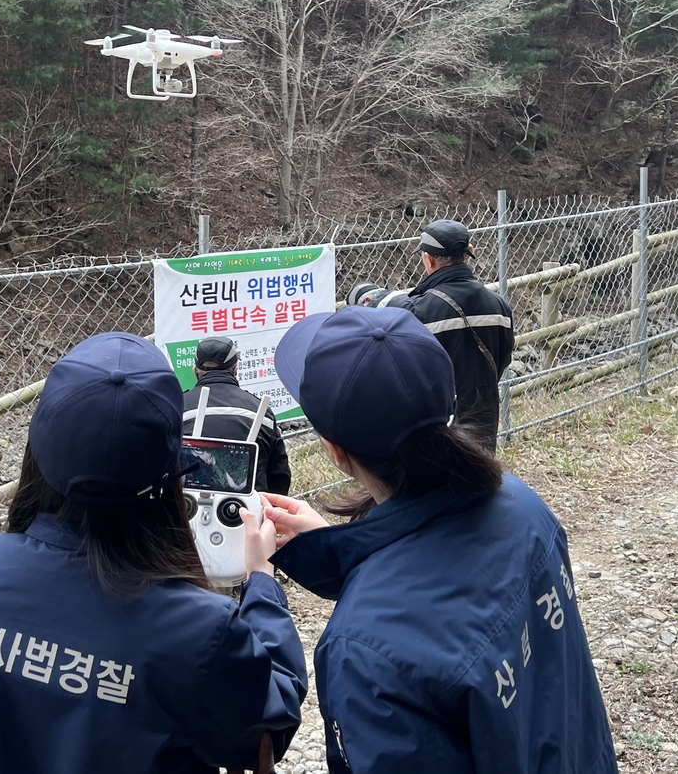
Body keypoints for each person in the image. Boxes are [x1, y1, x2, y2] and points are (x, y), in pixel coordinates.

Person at [0, 332, 307, 774]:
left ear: (36, 452)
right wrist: (261, 580)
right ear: (168, 480)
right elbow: (271, 718)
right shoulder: (199, 630)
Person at [258, 306, 617, 774]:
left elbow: (412, 624)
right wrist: (338, 553)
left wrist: (269, 578)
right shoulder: (522, 504)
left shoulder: (362, 652)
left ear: (334, 450)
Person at [346, 219, 514, 451]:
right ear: (468, 253)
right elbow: (504, 358)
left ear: (429, 258)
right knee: (481, 479)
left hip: (438, 427)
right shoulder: (499, 305)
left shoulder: (418, 310)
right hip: (484, 422)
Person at [182, 336, 292, 494]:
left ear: (195, 372)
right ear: (235, 370)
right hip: (251, 510)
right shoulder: (261, 410)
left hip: (188, 510)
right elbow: (279, 476)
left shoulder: (177, 408)